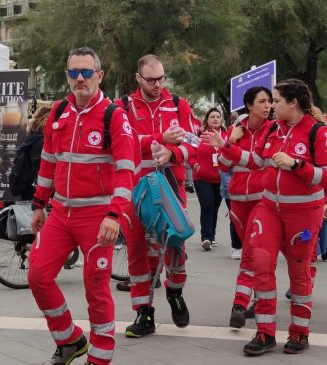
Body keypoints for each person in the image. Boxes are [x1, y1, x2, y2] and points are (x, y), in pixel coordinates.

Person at [28, 47, 135, 365]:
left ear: (99, 76)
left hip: (98, 215)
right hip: (60, 213)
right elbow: (48, 163)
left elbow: (127, 171)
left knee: (96, 286)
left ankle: (100, 358)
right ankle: (70, 339)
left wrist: (115, 215)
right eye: (73, 72)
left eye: (86, 72)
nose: (79, 78)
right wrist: (38, 205)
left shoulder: (114, 116)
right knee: (37, 275)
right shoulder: (58, 113)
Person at [208, 79, 327, 355]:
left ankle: (299, 333)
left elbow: (324, 176)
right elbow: (258, 161)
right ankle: (265, 333)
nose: (271, 106)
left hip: (303, 215)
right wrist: (225, 146)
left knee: (299, 273)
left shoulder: (317, 132)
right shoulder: (274, 129)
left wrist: (297, 165)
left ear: (293, 103)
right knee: (260, 264)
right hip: (269, 208)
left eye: (275, 101)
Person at [115, 54, 196, 338]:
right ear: (138, 78)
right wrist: (159, 139)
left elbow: (196, 147)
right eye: (151, 80)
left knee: (175, 246)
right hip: (135, 192)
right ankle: (143, 313)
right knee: (137, 252)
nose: (158, 84)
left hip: (171, 189)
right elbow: (120, 144)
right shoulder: (122, 106)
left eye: (162, 78)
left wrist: (174, 152)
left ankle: (175, 292)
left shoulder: (178, 104)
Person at [215, 87, 273, 328]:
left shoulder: (273, 130)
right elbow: (223, 163)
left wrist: (228, 146)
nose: (268, 105)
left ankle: (239, 303)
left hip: (263, 199)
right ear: (249, 105)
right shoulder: (235, 130)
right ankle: (260, 297)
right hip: (238, 198)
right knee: (253, 252)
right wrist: (230, 140)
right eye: (262, 101)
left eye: (270, 101)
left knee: (252, 252)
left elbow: (259, 161)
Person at [189, 107, 226, 250]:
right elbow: (190, 154)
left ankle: (212, 236)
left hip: (220, 178)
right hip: (202, 178)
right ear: (207, 120)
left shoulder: (226, 135)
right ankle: (206, 237)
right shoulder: (199, 134)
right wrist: (196, 166)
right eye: (212, 117)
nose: (215, 119)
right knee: (207, 205)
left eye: (218, 116)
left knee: (215, 207)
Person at [19, 106, 51, 200]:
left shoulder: (31, 138)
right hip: (37, 189)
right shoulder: (42, 142)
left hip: (27, 187)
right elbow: (41, 167)